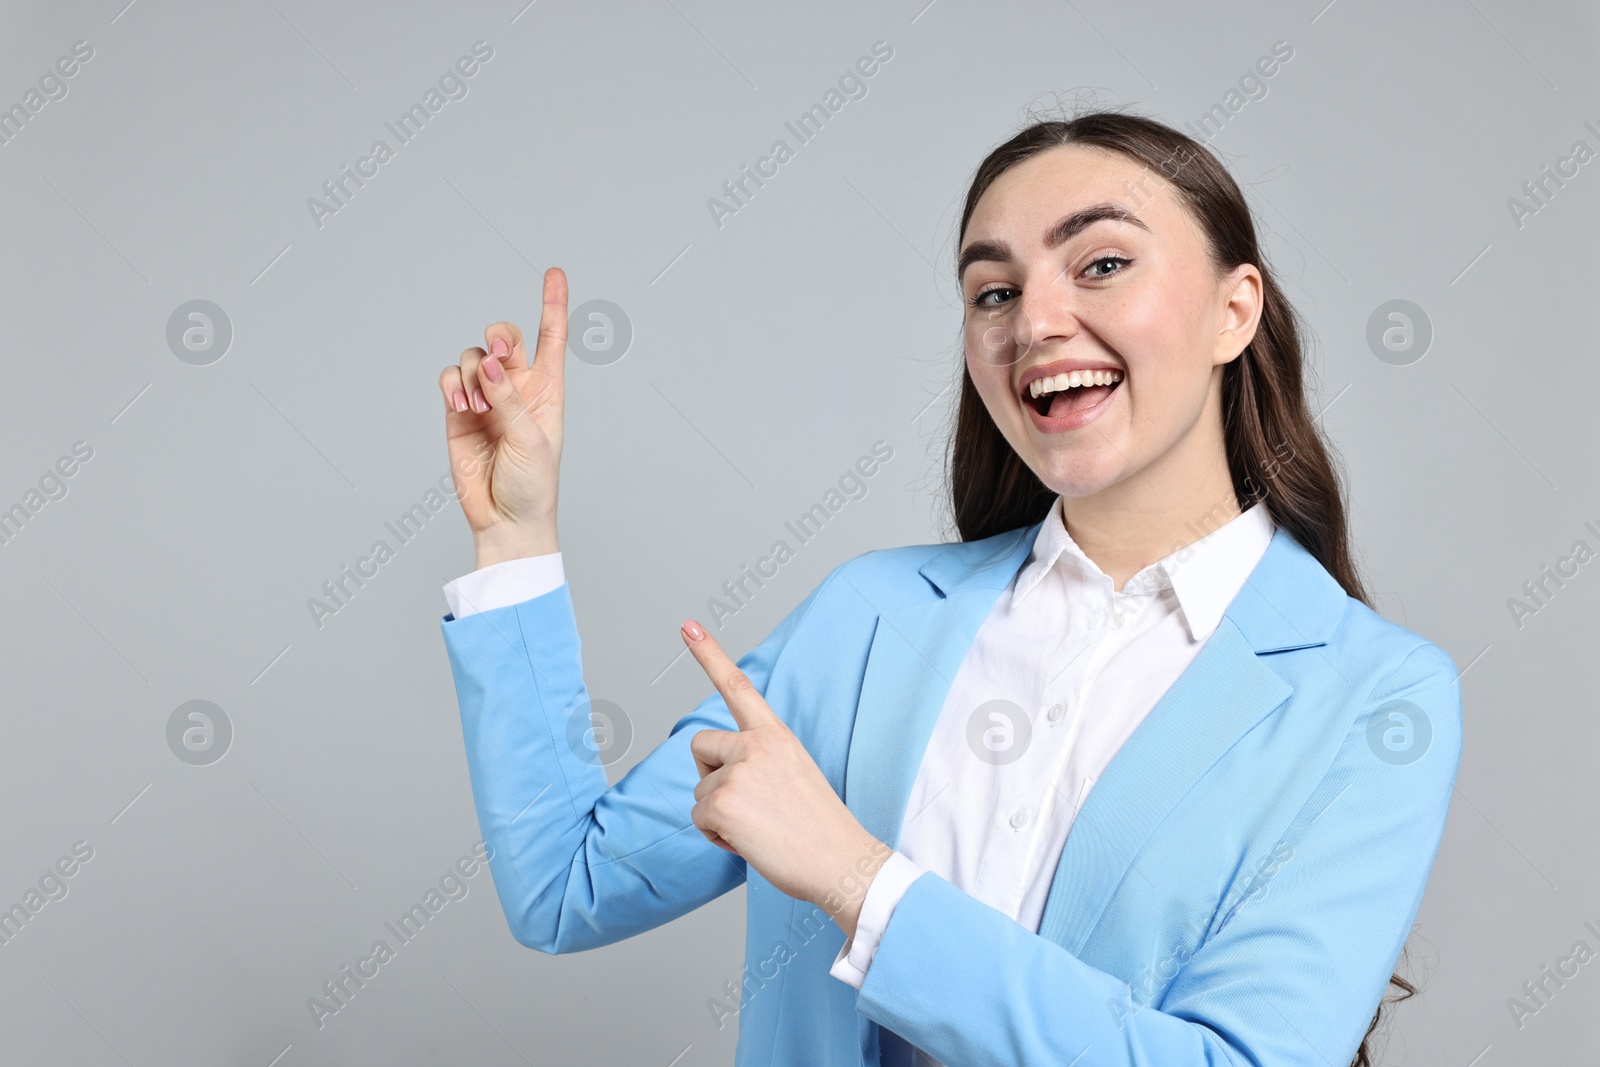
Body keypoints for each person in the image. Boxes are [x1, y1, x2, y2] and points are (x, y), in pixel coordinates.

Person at [434, 110, 1462, 1067]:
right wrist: (515, 534)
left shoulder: (1374, 696)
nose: (1036, 322)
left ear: (1234, 310)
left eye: (1101, 264)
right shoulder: (867, 619)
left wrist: (854, 875)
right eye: (994, 292)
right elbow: (567, 887)